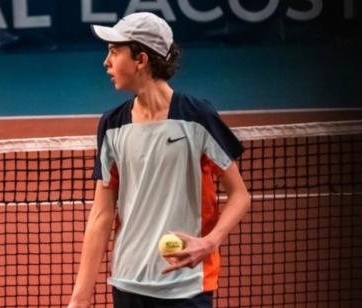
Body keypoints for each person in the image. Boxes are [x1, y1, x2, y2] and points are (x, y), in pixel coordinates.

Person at [69, 12, 250, 308]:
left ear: (141, 59)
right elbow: (101, 214)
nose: (106, 62)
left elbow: (240, 195)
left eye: (115, 52)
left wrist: (210, 241)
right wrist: (79, 298)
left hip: (186, 285)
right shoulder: (112, 125)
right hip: (127, 283)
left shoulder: (197, 117)